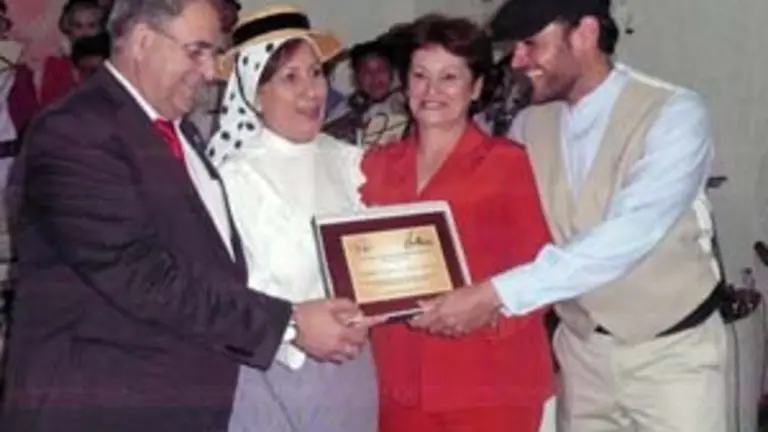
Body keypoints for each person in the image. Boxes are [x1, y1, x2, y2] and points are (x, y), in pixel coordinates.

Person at [0, 0, 368, 430]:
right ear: (142, 42)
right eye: (198, 50)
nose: (211, 71)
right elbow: (141, 276)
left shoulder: (178, 131)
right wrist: (288, 323)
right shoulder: (76, 131)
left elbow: (208, 265)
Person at [413, 0, 726, 431]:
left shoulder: (673, 113)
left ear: (585, 34)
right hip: (581, 356)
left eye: (530, 44)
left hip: (672, 354)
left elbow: (631, 233)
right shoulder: (529, 125)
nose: (518, 61)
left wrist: (493, 295)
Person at [360, 14, 555, 432]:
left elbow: (543, 274)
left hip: (490, 383)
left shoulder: (509, 164)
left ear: (477, 87)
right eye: (420, 76)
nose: (432, 91)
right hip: (399, 383)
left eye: (450, 77)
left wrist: (484, 313)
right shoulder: (373, 167)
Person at [205, 5, 378, 431]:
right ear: (254, 93)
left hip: (352, 367)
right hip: (269, 371)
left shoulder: (348, 161)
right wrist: (294, 328)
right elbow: (222, 292)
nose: (312, 91)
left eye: (316, 72)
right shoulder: (230, 177)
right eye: (290, 78)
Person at [40, 0, 105, 105]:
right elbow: (51, 106)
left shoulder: (112, 62)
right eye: (78, 26)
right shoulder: (55, 65)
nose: (85, 34)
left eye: (92, 26)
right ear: (68, 28)